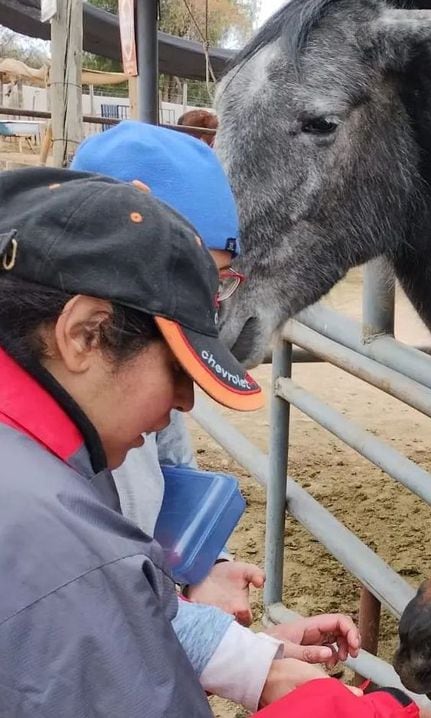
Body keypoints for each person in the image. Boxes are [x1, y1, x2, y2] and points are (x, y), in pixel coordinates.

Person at [0, 167, 426, 718]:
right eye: (177, 370)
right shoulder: (61, 549)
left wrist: (257, 667)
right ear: (86, 334)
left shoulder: (46, 473)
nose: (184, 403)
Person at [71, 120, 258, 623]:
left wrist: (199, 567)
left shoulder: (137, 378)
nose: (207, 306)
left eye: (219, 283)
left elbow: (170, 471)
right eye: (193, 277)